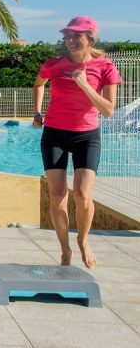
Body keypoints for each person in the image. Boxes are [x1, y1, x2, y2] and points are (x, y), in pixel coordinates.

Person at [33, 16, 121, 269]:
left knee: (82, 195)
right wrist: (37, 112)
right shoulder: (54, 64)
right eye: (67, 36)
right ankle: (65, 249)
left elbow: (108, 110)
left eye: (76, 35)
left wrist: (84, 85)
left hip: (86, 136)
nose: (70, 40)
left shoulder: (105, 67)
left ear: (90, 37)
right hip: (54, 134)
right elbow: (39, 84)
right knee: (57, 195)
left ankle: (83, 240)